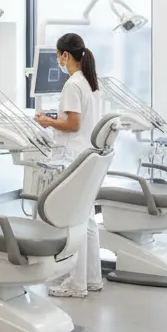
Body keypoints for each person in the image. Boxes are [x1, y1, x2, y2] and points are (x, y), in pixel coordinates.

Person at [34, 33, 103, 298]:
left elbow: (73, 124)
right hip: (87, 155)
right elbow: (81, 120)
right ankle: (92, 278)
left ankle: (76, 284)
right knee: (87, 220)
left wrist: (48, 122)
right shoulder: (91, 83)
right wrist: (57, 118)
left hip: (73, 155)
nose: (58, 61)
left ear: (65, 55)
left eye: (57, 55)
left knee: (74, 220)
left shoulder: (72, 85)